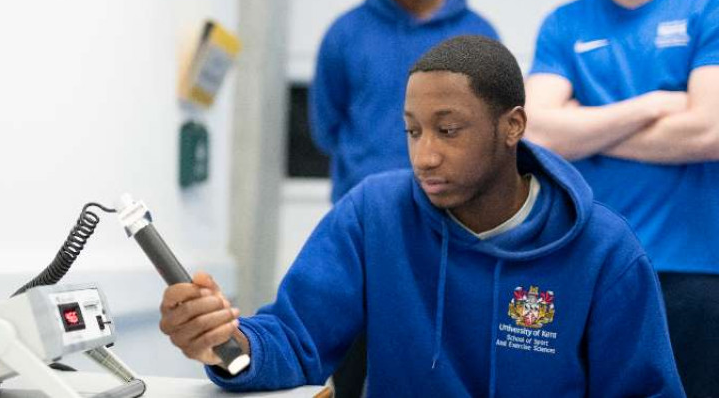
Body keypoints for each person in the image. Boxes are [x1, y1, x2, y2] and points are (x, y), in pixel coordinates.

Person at [160, 35, 685, 397]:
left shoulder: (603, 250)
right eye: (413, 130)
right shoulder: (374, 215)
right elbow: (296, 342)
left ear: (513, 126)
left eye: (448, 129)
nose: (424, 156)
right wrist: (226, 344)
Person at [524, 0, 719, 396]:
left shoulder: (708, 10)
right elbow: (539, 131)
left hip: (693, 268)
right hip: (589, 262)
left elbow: (708, 130)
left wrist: (586, 126)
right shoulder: (565, 23)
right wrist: (654, 105)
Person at [309, 0, 498, 204]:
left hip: (458, 212)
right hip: (366, 208)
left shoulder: (477, 35)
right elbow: (326, 128)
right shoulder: (345, 33)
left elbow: (492, 129)